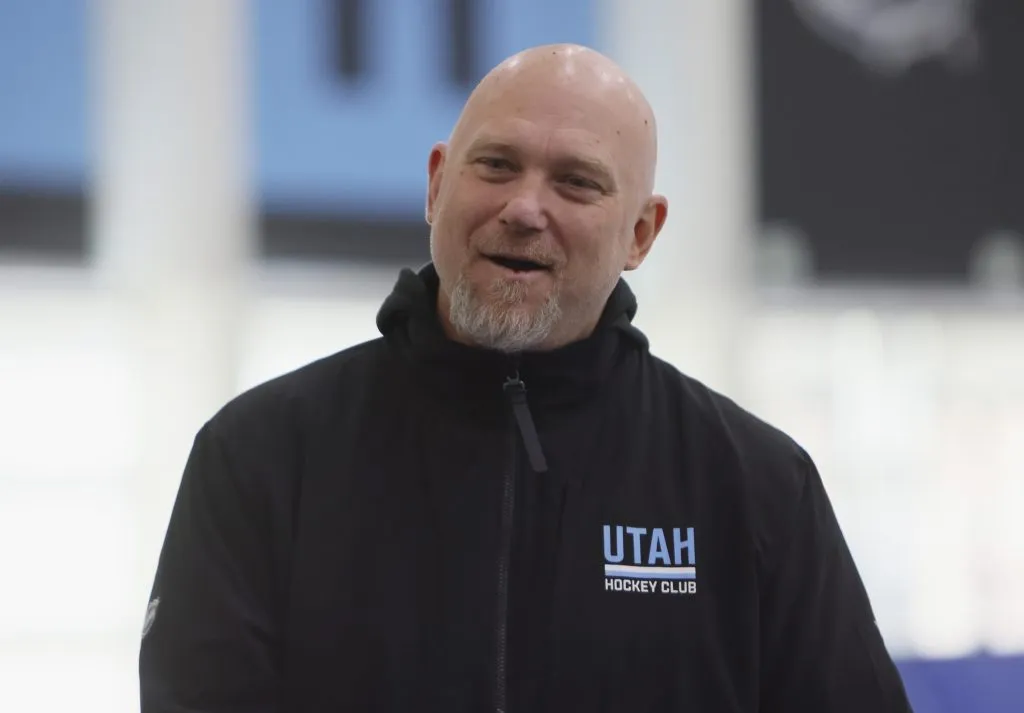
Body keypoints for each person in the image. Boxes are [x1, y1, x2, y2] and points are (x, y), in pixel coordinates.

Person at [139, 44, 913, 712]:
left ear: (641, 231)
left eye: (577, 182)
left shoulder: (754, 485)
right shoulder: (263, 457)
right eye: (497, 165)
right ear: (438, 184)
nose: (524, 208)